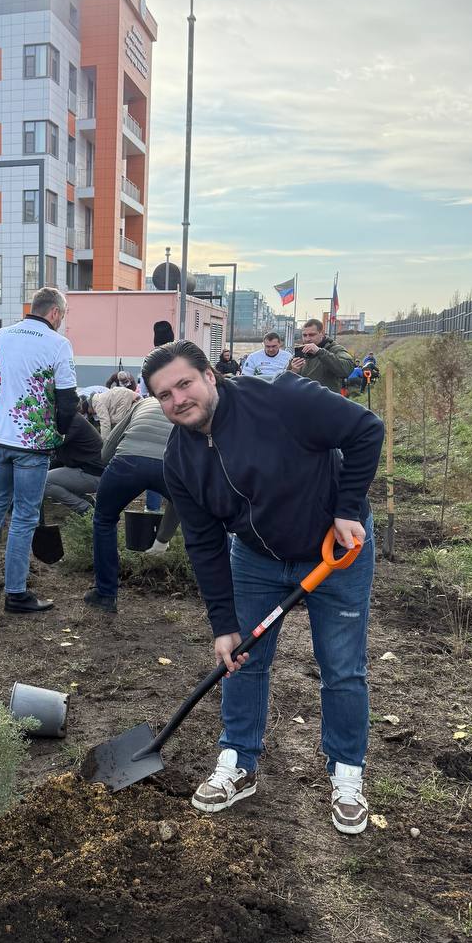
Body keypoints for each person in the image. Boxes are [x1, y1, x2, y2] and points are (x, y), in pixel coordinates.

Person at [142, 340, 384, 835]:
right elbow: (204, 545)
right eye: (163, 395)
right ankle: (239, 761)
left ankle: (346, 775)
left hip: (335, 550)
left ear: (211, 375)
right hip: (255, 560)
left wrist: (348, 508)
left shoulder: (282, 397)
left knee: (341, 668)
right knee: (241, 660)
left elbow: (365, 430)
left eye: (184, 383)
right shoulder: (179, 461)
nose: (177, 400)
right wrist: (223, 625)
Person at [0, 287, 78, 613]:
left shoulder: (3, 335)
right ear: (55, 313)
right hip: (33, 443)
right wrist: (60, 432)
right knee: (26, 515)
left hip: (0, 439)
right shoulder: (58, 344)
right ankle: (16, 593)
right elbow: (69, 401)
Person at [83, 395, 180, 613]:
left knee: (104, 520)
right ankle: (162, 543)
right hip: (169, 465)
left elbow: (106, 451)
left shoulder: (143, 403)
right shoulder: (184, 405)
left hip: (127, 461)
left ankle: (106, 594)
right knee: (184, 501)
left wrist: (112, 472)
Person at [44, 407, 105, 515]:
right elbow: (59, 458)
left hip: (94, 474)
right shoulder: (69, 418)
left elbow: (47, 445)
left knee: (43, 481)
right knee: (46, 476)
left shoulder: (70, 422)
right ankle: (88, 502)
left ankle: (86, 511)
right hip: (91, 471)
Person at [288, 319, 356, 393]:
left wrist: (319, 352)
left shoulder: (335, 349)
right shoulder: (299, 352)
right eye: (304, 335)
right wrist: (293, 371)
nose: (307, 339)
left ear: (322, 333)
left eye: (312, 335)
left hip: (326, 400)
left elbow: (346, 369)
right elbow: (285, 381)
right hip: (303, 400)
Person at [91, 375, 138, 441]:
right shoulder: (99, 399)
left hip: (126, 397)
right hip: (125, 396)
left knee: (117, 422)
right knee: (115, 421)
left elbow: (105, 423)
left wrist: (104, 443)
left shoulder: (97, 403)